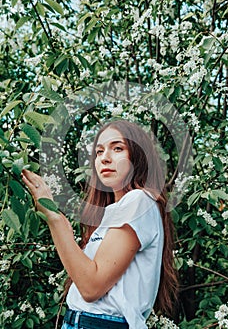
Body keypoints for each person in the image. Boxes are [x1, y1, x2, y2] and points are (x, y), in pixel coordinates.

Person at [22, 119, 178, 329]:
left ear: (138, 156)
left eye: (117, 148)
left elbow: (91, 287)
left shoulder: (139, 201)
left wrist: (55, 218)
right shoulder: (112, 213)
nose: (105, 158)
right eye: (99, 151)